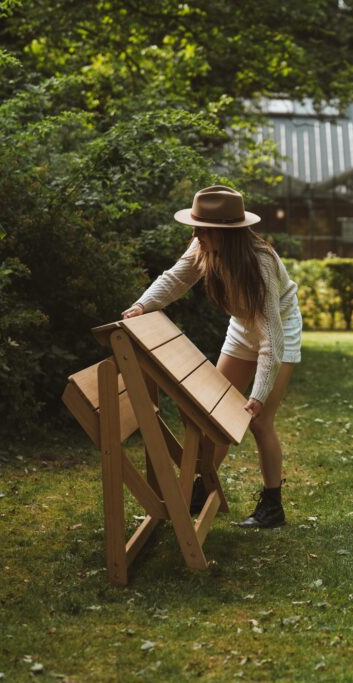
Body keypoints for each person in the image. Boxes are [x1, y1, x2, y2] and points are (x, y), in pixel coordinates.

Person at [122, 186, 301, 529]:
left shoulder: (260, 264)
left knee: (259, 420)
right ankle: (202, 488)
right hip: (242, 326)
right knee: (216, 415)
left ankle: (272, 506)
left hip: (280, 329)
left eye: (202, 229)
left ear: (225, 233)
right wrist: (142, 306)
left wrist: (258, 394)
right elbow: (175, 278)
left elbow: (271, 340)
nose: (195, 235)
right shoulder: (204, 247)